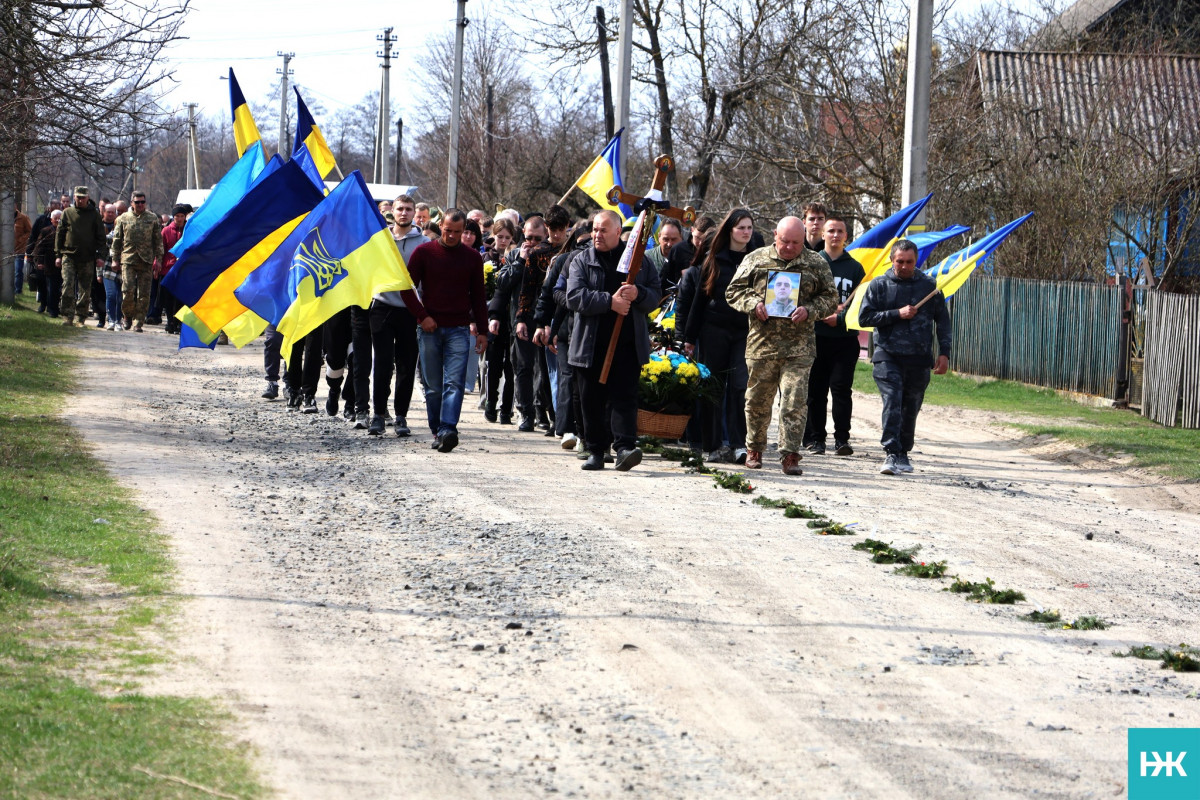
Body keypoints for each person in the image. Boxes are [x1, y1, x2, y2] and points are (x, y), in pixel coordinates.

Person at [726, 216, 838, 475]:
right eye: (785, 241)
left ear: (804, 240)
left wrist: (809, 310)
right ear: (775, 235)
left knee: (794, 401)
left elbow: (831, 298)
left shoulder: (815, 262)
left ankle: (790, 454)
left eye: (796, 243)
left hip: (799, 348)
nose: (789, 247)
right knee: (757, 401)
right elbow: (733, 291)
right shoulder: (756, 258)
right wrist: (754, 304)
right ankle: (754, 449)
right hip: (762, 346)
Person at [566, 210, 662, 472]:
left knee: (624, 397)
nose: (597, 235)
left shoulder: (639, 261)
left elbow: (655, 294)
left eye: (603, 230)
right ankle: (596, 451)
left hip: (627, 342)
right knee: (591, 400)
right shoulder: (581, 260)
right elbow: (574, 296)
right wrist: (610, 302)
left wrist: (638, 293)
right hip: (590, 343)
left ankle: (624, 448)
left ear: (618, 232)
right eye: (595, 229)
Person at [398, 209, 490, 453]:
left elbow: (478, 296)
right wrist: (422, 316)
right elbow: (406, 289)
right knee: (433, 385)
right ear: (441, 226)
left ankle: (448, 428)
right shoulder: (424, 252)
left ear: (464, 231)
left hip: (459, 328)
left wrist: (482, 330)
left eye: (457, 232)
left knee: (454, 382)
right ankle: (437, 429)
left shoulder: (472, 258)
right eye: (448, 230)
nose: (451, 236)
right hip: (430, 327)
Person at [857, 239, 951, 475]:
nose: (905, 266)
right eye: (900, 261)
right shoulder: (879, 285)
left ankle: (903, 451)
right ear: (892, 260)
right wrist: (896, 314)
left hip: (919, 357)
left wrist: (944, 353)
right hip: (887, 355)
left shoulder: (929, 286)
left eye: (910, 262)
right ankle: (890, 451)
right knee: (893, 400)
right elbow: (864, 318)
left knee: (911, 405)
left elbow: (943, 322)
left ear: (916, 261)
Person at [684, 208, 755, 464]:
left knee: (739, 387)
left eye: (749, 228)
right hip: (714, 330)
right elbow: (699, 301)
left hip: (743, 332)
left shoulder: (756, 260)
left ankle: (738, 444)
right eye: (741, 228)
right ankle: (712, 445)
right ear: (730, 230)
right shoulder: (713, 259)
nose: (746, 232)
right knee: (713, 387)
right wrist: (689, 337)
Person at [804, 214, 865, 456]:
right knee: (816, 392)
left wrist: (839, 318)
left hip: (844, 340)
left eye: (840, 231)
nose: (835, 235)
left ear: (846, 236)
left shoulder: (855, 267)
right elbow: (802, 298)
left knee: (841, 390)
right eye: (831, 231)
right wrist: (822, 313)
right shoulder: (812, 263)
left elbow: (860, 305)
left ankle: (842, 440)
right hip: (815, 337)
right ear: (823, 234)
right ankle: (817, 439)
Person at [365, 194, 426, 437]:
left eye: (408, 209)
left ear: (415, 213)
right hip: (382, 306)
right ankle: (378, 414)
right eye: (400, 208)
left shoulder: (423, 243)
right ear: (393, 211)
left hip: (410, 310)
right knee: (381, 363)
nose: (404, 213)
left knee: (406, 365)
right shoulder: (381, 239)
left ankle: (401, 415)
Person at [109, 191, 163, 332]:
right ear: (132, 203)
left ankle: (139, 321)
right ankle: (127, 316)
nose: (140, 205)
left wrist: (158, 260)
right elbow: (117, 240)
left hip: (146, 260)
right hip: (128, 259)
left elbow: (158, 241)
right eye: (137, 202)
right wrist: (115, 259)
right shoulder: (123, 218)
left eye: (142, 202)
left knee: (144, 293)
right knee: (127, 290)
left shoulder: (152, 218)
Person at [54, 187, 106, 327]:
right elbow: (60, 235)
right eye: (78, 197)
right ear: (74, 197)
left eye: (83, 197)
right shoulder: (67, 213)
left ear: (88, 198)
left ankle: (80, 317)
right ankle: (67, 316)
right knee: (67, 285)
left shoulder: (94, 215)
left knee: (85, 289)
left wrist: (101, 256)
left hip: (87, 257)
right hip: (69, 256)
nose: (81, 200)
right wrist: (58, 255)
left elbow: (101, 238)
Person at [483, 219, 517, 424]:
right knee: (493, 364)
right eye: (500, 237)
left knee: (511, 366)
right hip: (492, 316)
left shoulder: (516, 257)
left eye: (507, 237)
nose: (503, 241)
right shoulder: (486, 258)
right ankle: (490, 401)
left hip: (511, 318)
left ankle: (506, 409)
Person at [159, 204, 189, 335]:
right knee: (168, 297)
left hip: (184, 268)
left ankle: (179, 322)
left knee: (181, 297)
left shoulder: (189, 230)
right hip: (168, 268)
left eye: (182, 216)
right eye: (177, 216)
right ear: (173, 217)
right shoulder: (166, 231)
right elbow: (161, 249)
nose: (180, 219)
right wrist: (157, 264)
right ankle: (170, 321)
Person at [32, 209, 63, 316]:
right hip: (48, 263)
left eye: (60, 219)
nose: (58, 221)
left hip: (61, 263)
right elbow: (39, 247)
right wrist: (39, 262)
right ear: (51, 220)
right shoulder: (46, 231)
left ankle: (54, 308)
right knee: (48, 287)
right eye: (56, 219)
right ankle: (48, 307)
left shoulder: (65, 231)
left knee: (56, 288)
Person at [99, 204, 121, 330]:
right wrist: (99, 273)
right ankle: (111, 320)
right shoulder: (107, 238)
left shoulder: (128, 240)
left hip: (123, 270)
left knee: (120, 297)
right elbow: (100, 255)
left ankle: (118, 321)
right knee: (111, 295)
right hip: (108, 269)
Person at [644, 218, 683, 282]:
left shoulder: (689, 259)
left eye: (673, 239)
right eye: (666, 239)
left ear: (681, 237)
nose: (669, 244)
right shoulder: (646, 258)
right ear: (659, 237)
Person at [14, 205, 32, 296]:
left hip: (19, 249)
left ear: (15, 206)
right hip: (5, 249)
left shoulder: (23, 218)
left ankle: (18, 291)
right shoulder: (3, 217)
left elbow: (30, 231)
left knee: (18, 270)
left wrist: (21, 239)